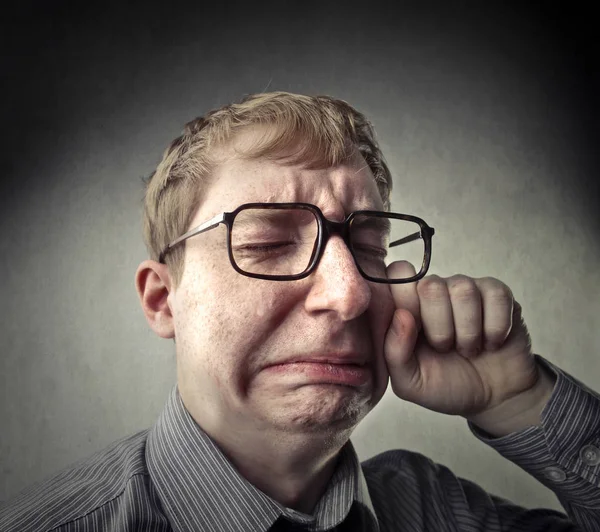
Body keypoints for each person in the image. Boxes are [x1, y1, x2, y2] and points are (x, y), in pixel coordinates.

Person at [1, 91, 598, 532]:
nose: (350, 295)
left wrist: (522, 404)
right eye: (266, 243)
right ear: (163, 301)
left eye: (368, 247)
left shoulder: (437, 508)